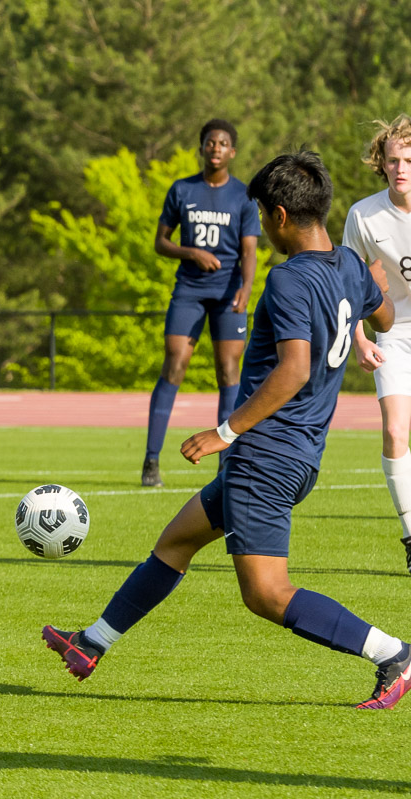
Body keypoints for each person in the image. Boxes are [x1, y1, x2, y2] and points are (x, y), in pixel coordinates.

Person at [43, 151, 411, 710]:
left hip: (264, 456)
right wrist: (371, 285)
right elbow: (384, 319)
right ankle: (91, 643)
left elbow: (292, 369)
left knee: (265, 593)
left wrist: (226, 430)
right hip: (300, 454)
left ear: (281, 215)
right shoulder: (348, 266)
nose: (261, 225)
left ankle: (394, 654)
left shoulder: (288, 280)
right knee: (176, 542)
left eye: (263, 215)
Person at [144, 119, 261, 487]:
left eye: (223, 143)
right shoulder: (182, 189)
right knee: (175, 363)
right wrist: (191, 252)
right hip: (189, 291)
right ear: (202, 148)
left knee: (229, 371)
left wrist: (246, 286)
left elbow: (250, 250)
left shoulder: (243, 196)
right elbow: (161, 242)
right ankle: (151, 461)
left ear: (233, 152)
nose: (216, 148)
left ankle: (226, 464)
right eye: (210, 142)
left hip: (228, 295)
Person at [345, 114, 411, 574]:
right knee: (393, 432)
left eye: (408, 159)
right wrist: (358, 339)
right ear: (380, 164)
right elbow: (346, 285)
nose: (401, 168)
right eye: (393, 160)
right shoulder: (363, 216)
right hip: (397, 335)